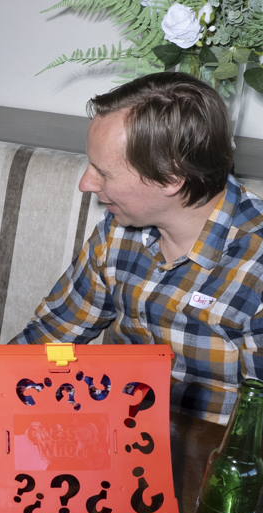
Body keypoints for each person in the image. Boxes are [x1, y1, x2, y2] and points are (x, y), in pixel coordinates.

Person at [16, 71, 263, 424]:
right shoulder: (116, 232)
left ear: (170, 177)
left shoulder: (256, 268)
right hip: (114, 432)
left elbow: (255, 430)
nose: (86, 183)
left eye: (103, 172)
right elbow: (49, 338)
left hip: (209, 451)